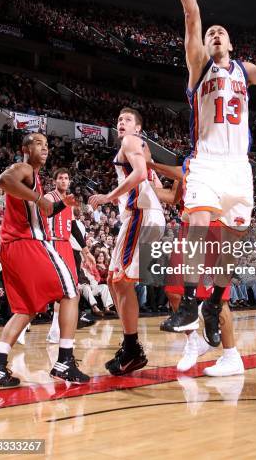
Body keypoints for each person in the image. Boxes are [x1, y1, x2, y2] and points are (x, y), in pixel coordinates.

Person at [163, 0, 256, 345]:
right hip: (207, 161)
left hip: (239, 168)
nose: (213, 34)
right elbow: (192, 14)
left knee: (231, 247)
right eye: (210, 33)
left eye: (220, 32)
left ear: (230, 43)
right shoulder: (199, 66)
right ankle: (193, 304)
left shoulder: (243, 71)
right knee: (197, 223)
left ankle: (214, 302)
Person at [0, 133, 90, 387]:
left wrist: (62, 204)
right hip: (27, 244)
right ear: (25, 148)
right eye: (37, 143)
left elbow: (47, 210)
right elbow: (3, 180)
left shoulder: (35, 179)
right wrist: (39, 198)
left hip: (13, 248)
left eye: (46, 144)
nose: (44, 147)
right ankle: (64, 361)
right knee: (71, 292)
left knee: (26, 309)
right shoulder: (24, 168)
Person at [149, 160, 244, 376]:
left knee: (218, 301)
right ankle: (194, 342)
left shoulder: (219, 164)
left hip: (214, 231)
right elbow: (174, 198)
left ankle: (231, 356)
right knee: (173, 291)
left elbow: (229, 204)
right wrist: (146, 188)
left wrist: (149, 165)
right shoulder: (187, 162)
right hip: (187, 230)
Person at [89, 108, 165, 376]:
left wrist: (109, 196)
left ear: (138, 128)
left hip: (140, 215)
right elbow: (161, 193)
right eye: (119, 119)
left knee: (120, 281)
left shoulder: (130, 142)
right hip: (145, 215)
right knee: (114, 281)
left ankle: (132, 349)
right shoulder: (143, 149)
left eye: (127, 120)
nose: (121, 123)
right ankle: (130, 346)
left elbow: (142, 174)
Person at [45, 170, 95, 344]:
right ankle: (52, 329)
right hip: (53, 243)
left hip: (66, 244)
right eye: (60, 178)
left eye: (66, 178)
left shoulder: (70, 201)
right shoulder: (50, 197)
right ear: (54, 181)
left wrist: (86, 252)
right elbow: (47, 213)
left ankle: (55, 330)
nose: (64, 181)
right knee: (62, 290)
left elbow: (74, 227)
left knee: (72, 289)